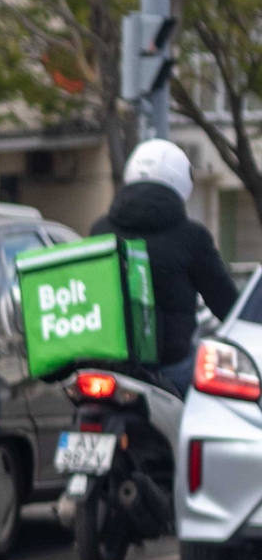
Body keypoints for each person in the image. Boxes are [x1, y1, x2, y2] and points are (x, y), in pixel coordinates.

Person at [90, 138, 237, 397]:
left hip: (108, 363)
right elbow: (226, 304)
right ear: (182, 181)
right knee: (213, 406)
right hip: (170, 364)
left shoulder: (100, 230)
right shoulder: (191, 237)